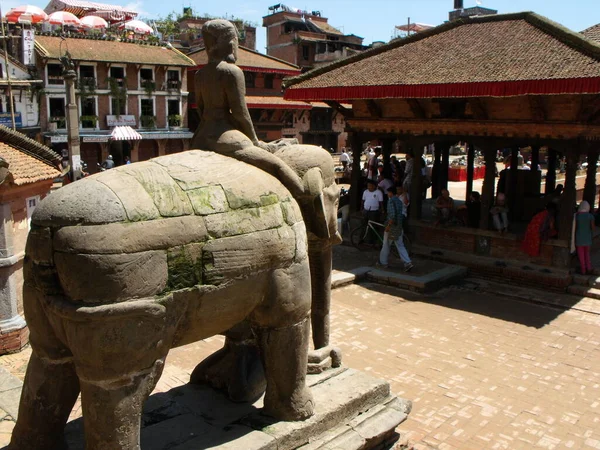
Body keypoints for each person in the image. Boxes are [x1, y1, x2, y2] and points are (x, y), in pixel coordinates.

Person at [190, 19, 303, 198]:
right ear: (229, 43)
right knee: (279, 167)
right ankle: (303, 199)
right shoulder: (232, 72)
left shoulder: (199, 75)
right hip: (226, 136)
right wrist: (255, 142)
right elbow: (240, 113)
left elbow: (201, 110)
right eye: (235, 42)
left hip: (201, 137)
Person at [378, 187, 413, 271]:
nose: (387, 194)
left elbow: (392, 215)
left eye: (388, 192)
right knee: (400, 245)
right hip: (399, 226)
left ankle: (383, 262)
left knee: (386, 244)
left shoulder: (391, 201)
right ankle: (407, 262)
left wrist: (388, 226)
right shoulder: (399, 201)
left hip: (392, 227)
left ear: (391, 193)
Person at [572, 200, 595, 274]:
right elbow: (593, 228)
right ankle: (589, 268)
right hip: (588, 238)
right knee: (587, 254)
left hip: (579, 238)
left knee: (581, 255)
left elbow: (575, 227)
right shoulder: (590, 216)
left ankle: (583, 270)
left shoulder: (577, 216)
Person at [361, 179, 384, 243]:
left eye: (370, 186)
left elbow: (381, 202)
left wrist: (382, 210)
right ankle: (362, 239)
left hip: (374, 212)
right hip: (366, 210)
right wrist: (361, 209)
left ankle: (372, 241)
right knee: (363, 225)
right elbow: (363, 201)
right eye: (368, 186)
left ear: (374, 186)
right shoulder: (365, 192)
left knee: (373, 227)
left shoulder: (378, 192)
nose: (369, 187)